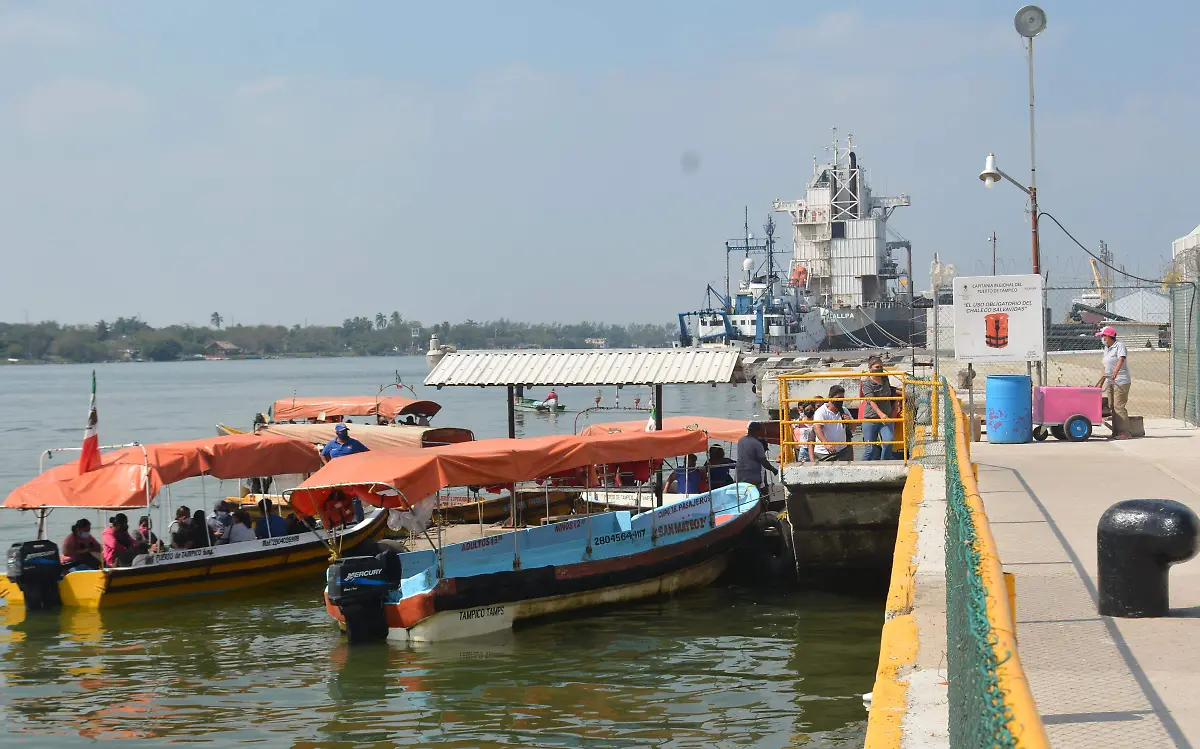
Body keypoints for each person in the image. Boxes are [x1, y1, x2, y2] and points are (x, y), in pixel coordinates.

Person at [1095, 325, 1133, 439]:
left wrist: (1115, 373)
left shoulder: (1119, 346)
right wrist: (1101, 382)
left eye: (1103, 336)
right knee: (1112, 406)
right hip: (1110, 381)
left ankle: (1125, 432)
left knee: (1119, 406)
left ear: (1109, 336)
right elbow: (1105, 367)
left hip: (1121, 381)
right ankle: (1116, 432)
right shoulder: (1106, 349)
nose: (1102, 338)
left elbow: (1121, 359)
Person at [860, 356, 898, 460]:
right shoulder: (866, 383)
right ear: (870, 368)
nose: (879, 369)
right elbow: (871, 401)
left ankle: (884, 462)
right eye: (877, 367)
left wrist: (902, 394)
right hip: (871, 418)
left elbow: (890, 390)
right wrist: (881, 414)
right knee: (870, 449)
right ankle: (863, 468)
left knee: (888, 442)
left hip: (886, 418)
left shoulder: (885, 378)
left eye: (881, 366)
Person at [814, 385, 854, 462]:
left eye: (842, 398)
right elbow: (817, 428)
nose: (840, 401)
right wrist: (826, 444)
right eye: (838, 398)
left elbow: (853, 428)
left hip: (842, 451)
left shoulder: (844, 410)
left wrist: (850, 421)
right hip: (824, 452)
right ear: (830, 398)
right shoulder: (821, 411)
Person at [736, 422, 779, 493]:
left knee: (742, 495)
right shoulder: (757, 444)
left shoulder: (741, 440)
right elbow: (763, 460)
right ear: (757, 431)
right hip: (752, 475)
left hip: (740, 474)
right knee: (754, 496)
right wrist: (773, 469)